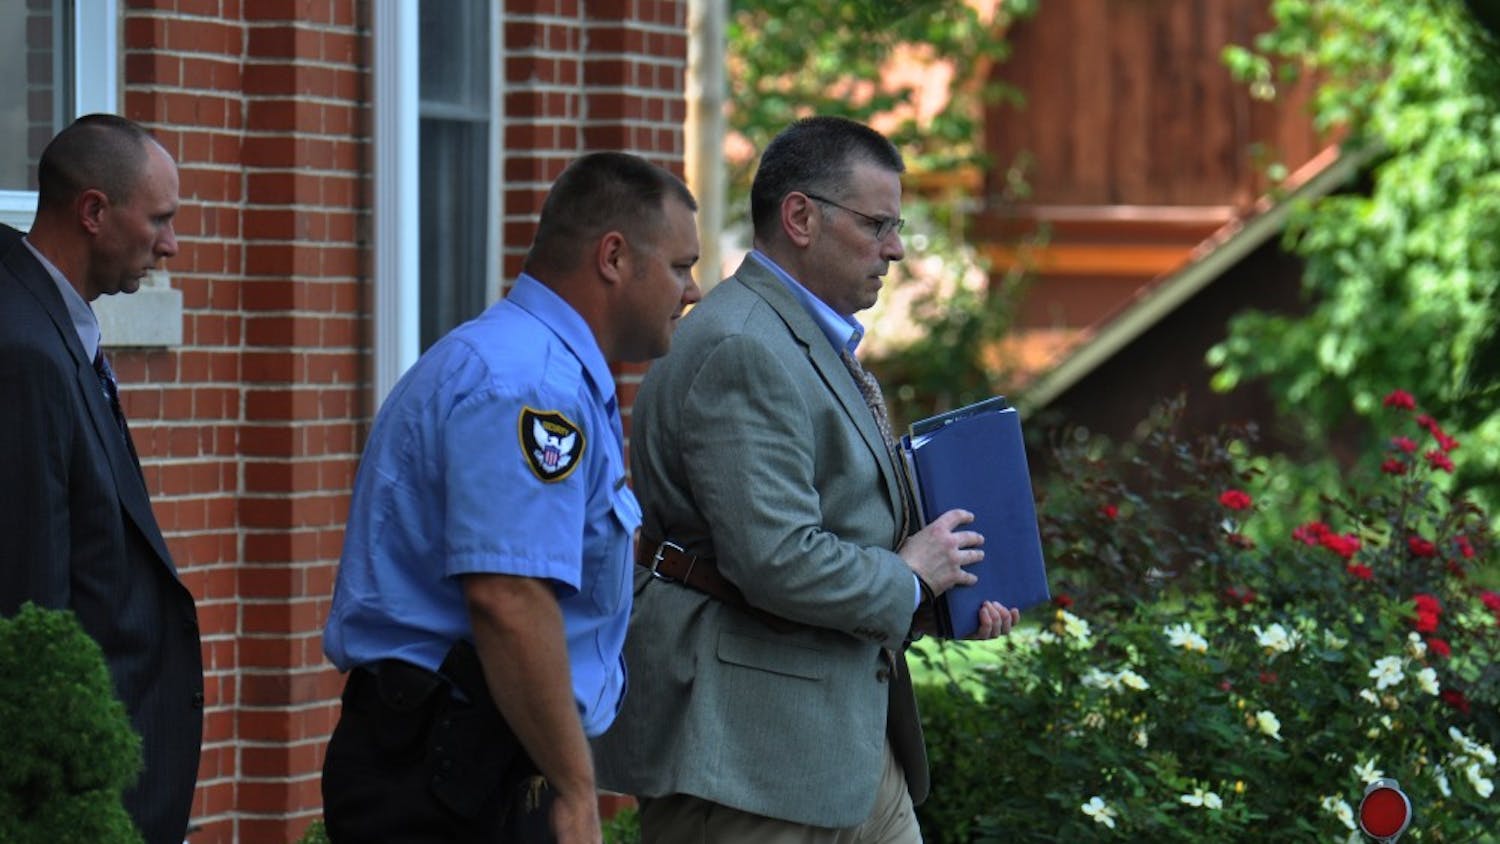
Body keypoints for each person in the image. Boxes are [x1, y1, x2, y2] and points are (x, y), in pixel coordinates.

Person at [592, 116, 1022, 843]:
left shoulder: (797, 336)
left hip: (840, 740)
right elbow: (776, 557)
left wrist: (939, 597)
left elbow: (846, 532)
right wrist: (911, 579)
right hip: (751, 755)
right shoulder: (742, 344)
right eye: (877, 224)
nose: (896, 248)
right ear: (799, 217)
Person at [321, 151, 702, 844]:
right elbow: (508, 595)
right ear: (613, 257)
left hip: (469, 757)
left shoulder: (539, 369)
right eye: (681, 266)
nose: (693, 290)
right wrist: (577, 789)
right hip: (449, 775)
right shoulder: (531, 385)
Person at [0, 114, 204, 844]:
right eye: (160, 220)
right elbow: (30, 618)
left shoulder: (52, 325)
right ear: (93, 212)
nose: (171, 245)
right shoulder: (24, 352)